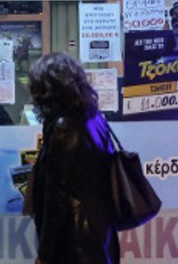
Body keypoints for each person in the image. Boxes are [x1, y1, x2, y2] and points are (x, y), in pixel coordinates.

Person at [27, 52, 119, 264]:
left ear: (48, 90)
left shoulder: (64, 127)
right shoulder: (95, 119)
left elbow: (56, 198)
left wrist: (45, 254)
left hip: (73, 243)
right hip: (99, 234)